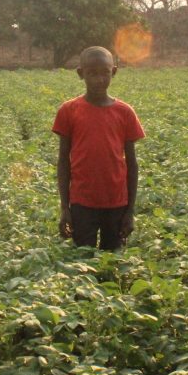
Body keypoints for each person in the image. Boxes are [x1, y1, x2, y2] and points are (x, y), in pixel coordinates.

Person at [53, 46, 145, 249]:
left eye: (104, 72)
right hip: (82, 203)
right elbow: (63, 162)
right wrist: (65, 208)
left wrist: (130, 211)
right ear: (80, 74)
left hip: (117, 204)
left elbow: (132, 164)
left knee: (111, 264)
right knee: (82, 264)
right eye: (91, 73)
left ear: (114, 72)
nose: (98, 79)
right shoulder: (69, 111)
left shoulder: (125, 113)